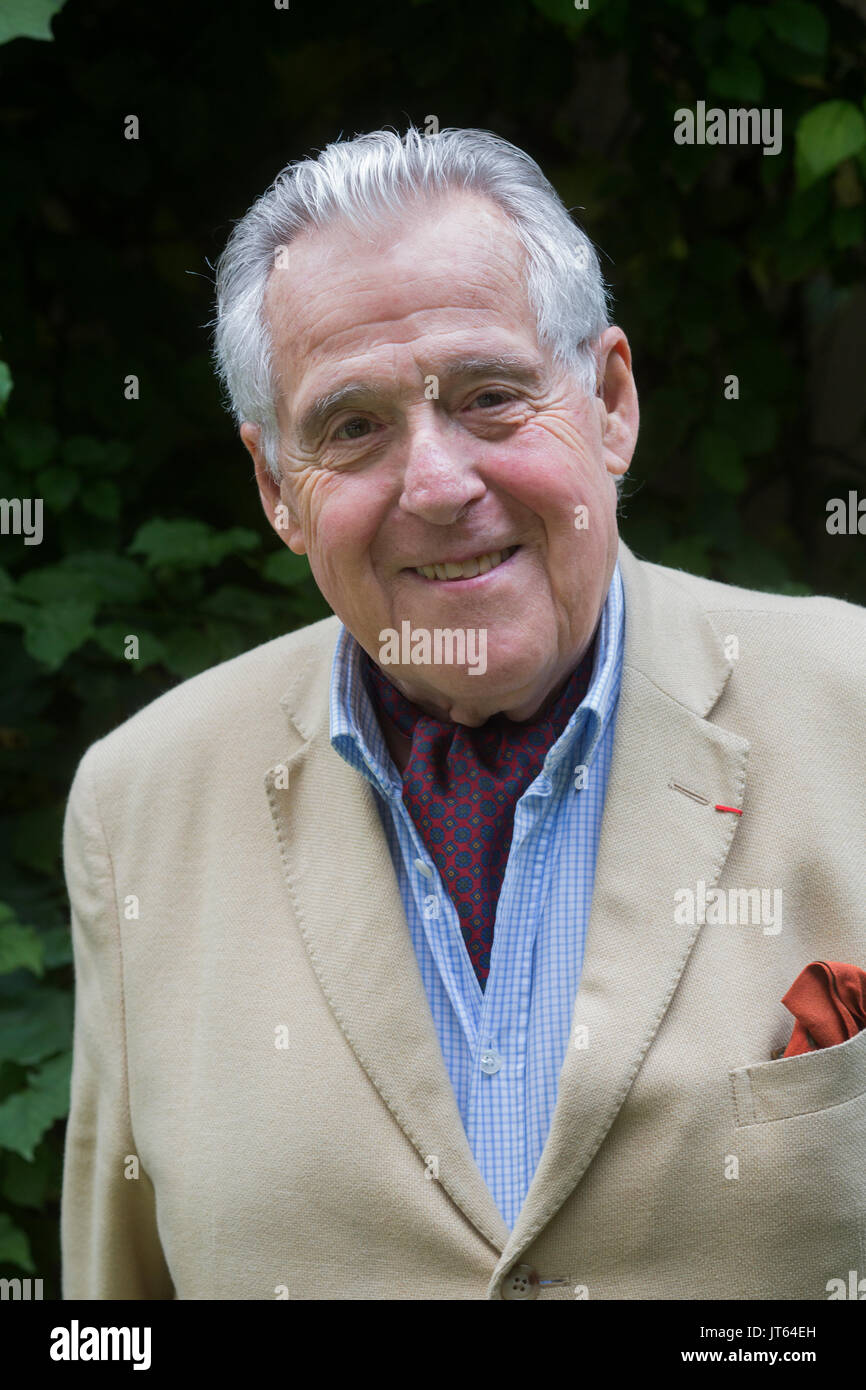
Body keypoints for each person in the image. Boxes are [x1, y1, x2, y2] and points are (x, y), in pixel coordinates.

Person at [61, 127, 866, 1301]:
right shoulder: (139, 805)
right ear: (277, 488)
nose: (435, 484)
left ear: (608, 401)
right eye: (352, 426)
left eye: (491, 397)